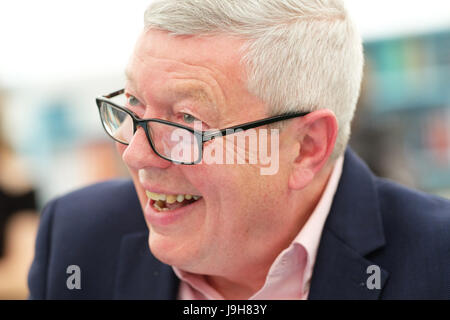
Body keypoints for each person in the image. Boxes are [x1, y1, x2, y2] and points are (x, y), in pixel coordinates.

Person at [28, 0, 450, 300]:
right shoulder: (77, 238)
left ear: (306, 147)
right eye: (135, 105)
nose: (135, 155)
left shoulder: (438, 260)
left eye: (187, 121)